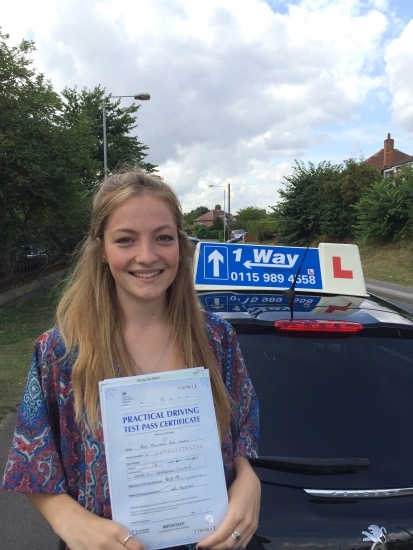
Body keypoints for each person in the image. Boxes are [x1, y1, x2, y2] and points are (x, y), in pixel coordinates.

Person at [2, 171, 260, 550]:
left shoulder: (217, 339)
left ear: (180, 246)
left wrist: (249, 480)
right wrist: (67, 520)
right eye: (126, 239)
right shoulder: (59, 353)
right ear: (102, 249)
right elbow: (31, 461)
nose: (147, 256)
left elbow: (243, 436)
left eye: (163, 238)